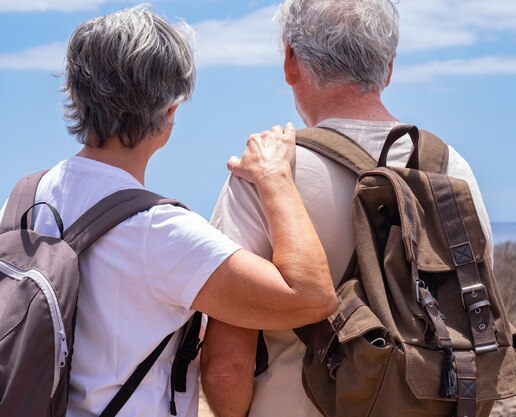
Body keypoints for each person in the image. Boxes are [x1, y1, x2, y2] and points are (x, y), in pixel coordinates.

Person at [0, 5, 337, 417]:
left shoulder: (22, 199)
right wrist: (273, 177)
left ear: (75, 94)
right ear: (170, 112)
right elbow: (311, 297)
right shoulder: (160, 233)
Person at [202, 0, 495, 416]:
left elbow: (227, 365)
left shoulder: (267, 169)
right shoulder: (450, 169)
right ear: (388, 68)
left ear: (289, 59)